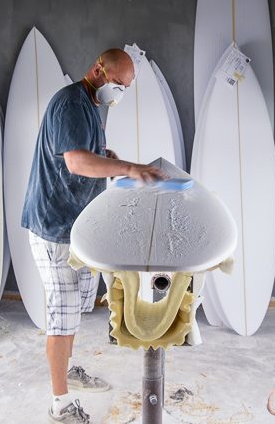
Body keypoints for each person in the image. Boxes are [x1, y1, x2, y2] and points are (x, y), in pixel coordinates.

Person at [21, 48, 167, 424]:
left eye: (125, 88)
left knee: (78, 306)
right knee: (62, 315)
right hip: (55, 227)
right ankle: (60, 404)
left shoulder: (90, 103)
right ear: (99, 69)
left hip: (76, 225)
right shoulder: (71, 103)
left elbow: (87, 153)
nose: (119, 93)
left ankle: (67, 371)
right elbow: (74, 161)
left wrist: (108, 156)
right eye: (118, 84)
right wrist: (129, 167)